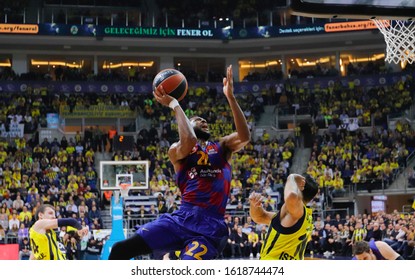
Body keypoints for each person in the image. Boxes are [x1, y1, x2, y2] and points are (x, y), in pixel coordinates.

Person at [109, 65, 250, 260]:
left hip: (210, 225)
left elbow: (245, 135)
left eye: (203, 119)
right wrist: (175, 104)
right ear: (185, 125)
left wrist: (231, 98)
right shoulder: (176, 150)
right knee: (120, 250)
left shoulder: (222, 147)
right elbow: (190, 140)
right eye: (196, 119)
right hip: (181, 218)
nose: (202, 119)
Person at [249, 173, 318, 260]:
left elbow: (291, 196)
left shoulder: (296, 212)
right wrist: (254, 205)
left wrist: (291, 178)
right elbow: (261, 217)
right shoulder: (305, 216)